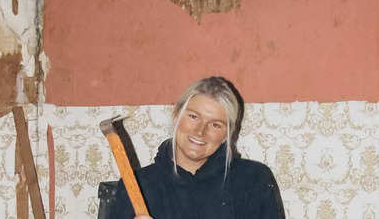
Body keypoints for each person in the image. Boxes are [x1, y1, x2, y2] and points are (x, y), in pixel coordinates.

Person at [110, 76, 285, 218]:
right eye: (193, 117)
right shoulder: (137, 185)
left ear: (227, 135)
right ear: (176, 115)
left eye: (215, 124)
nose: (200, 131)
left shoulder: (253, 179)